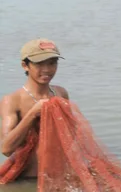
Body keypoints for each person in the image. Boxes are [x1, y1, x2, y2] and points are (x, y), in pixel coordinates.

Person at [1, 40, 70, 181]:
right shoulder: (12, 100)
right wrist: (32, 114)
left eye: (52, 63)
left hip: (58, 176)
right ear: (25, 66)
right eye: (39, 64)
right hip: (27, 180)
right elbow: (6, 149)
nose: (47, 69)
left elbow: (71, 137)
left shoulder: (60, 93)